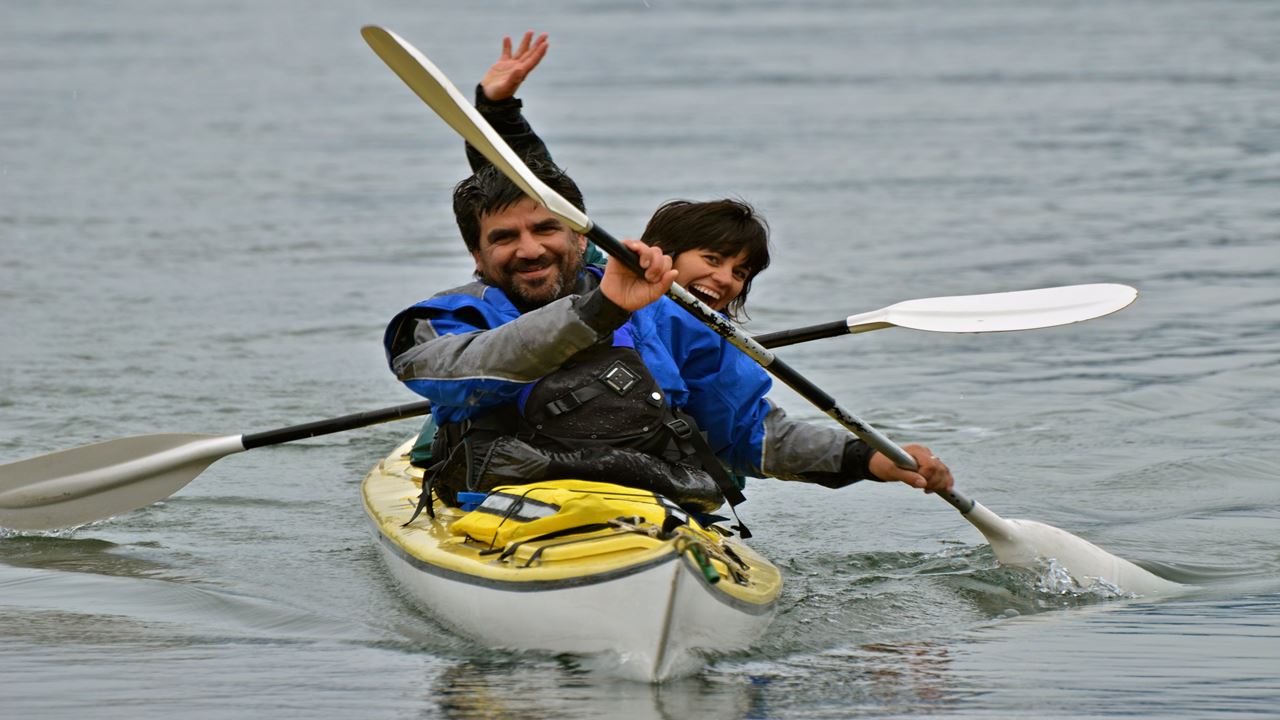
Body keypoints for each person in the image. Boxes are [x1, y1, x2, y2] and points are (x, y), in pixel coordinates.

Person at [383, 158, 953, 519]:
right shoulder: (441, 320)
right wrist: (600, 309)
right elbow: (474, 368)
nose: (530, 248)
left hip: (653, 508)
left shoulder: (671, 318)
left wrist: (864, 458)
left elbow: (748, 432)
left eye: (547, 228)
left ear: (580, 239)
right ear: (477, 255)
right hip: (502, 508)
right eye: (505, 237)